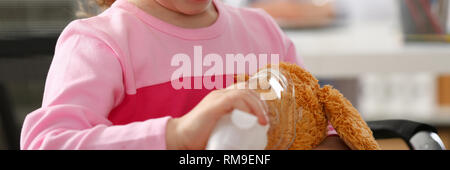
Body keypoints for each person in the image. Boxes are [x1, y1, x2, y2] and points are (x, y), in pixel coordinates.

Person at [20, 0, 347, 150]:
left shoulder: (263, 31)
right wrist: (176, 134)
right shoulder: (100, 41)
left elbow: (320, 123)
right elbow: (45, 143)